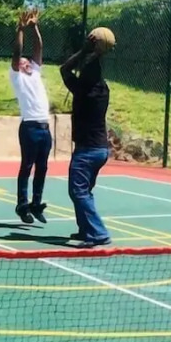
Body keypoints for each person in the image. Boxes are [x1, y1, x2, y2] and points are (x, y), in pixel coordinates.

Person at [59, 34, 111, 246]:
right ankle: (86, 230)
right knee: (84, 191)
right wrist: (96, 53)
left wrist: (83, 50)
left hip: (87, 150)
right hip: (100, 149)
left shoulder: (83, 91)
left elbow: (64, 69)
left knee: (78, 191)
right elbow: (86, 69)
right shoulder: (103, 89)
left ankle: (98, 233)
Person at [9, 8, 52, 224]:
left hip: (45, 127)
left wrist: (34, 27)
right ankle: (22, 204)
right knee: (27, 166)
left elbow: (39, 47)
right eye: (23, 61)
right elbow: (18, 53)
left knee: (42, 167)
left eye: (28, 61)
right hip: (29, 127)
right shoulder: (17, 77)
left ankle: (36, 203)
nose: (26, 62)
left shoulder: (35, 72)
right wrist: (20, 29)